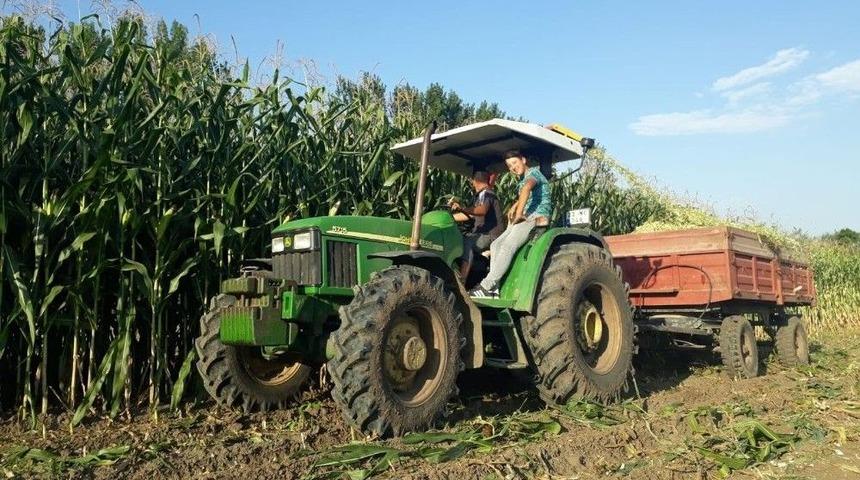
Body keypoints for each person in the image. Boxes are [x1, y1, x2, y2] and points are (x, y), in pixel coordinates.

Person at [469, 150, 551, 298]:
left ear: (523, 160)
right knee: (495, 246)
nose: (513, 167)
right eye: (509, 166)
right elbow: (528, 194)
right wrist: (515, 206)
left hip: (535, 217)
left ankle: (486, 286)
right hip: (526, 216)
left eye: (515, 163)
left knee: (508, 246)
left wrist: (519, 213)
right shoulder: (523, 179)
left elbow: (527, 189)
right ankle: (494, 289)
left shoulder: (533, 174)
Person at [449, 170, 504, 279]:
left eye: (472, 181)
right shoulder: (481, 195)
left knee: (467, 241)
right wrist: (449, 218)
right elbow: (473, 214)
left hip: (491, 235)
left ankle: (462, 280)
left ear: (475, 181)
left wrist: (462, 208)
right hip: (483, 234)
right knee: (461, 237)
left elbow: (482, 210)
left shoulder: (487, 193)